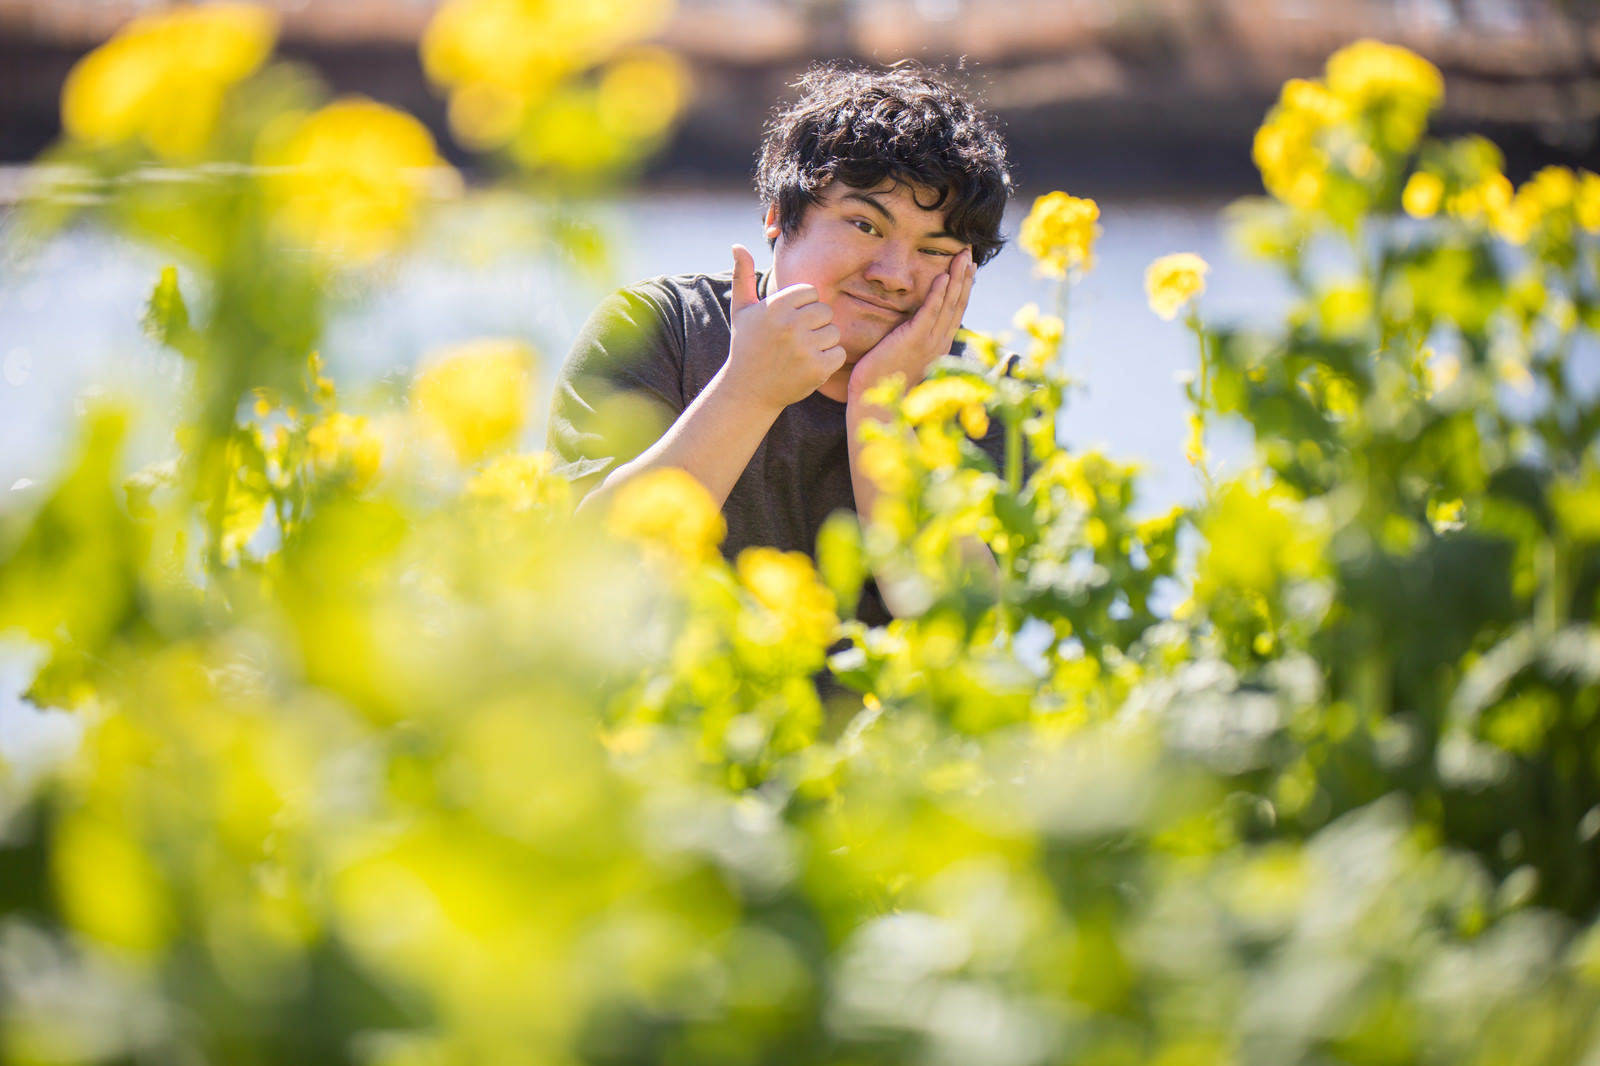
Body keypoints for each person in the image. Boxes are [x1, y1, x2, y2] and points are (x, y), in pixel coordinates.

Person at [547, 62, 1014, 626]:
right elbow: (584, 582)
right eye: (865, 225)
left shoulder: (986, 392)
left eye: (935, 250)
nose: (894, 274)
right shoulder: (659, 329)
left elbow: (965, 632)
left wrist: (880, 407)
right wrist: (749, 391)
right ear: (777, 217)